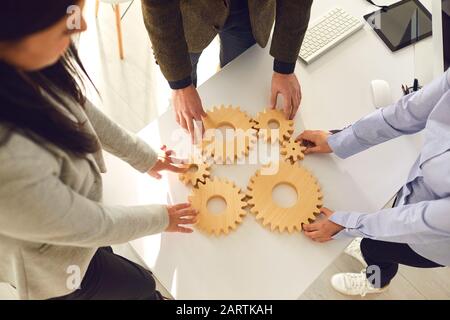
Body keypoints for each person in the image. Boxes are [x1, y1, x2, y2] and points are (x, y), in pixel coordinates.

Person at [0, 0, 197, 300]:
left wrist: (146, 157)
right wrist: (164, 218)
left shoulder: (29, 63)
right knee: (141, 284)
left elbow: (79, 109)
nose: (82, 25)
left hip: (78, 227)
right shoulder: (10, 167)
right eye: (65, 17)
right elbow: (94, 225)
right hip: (56, 271)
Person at [297, 69, 450, 296]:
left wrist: (347, 224)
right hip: (418, 194)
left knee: (375, 247)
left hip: (432, 241)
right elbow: (409, 111)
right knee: (375, 235)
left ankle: (376, 282)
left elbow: (419, 222)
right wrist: (338, 140)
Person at [141, 0, 313, 141]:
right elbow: (157, 5)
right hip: (188, 15)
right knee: (185, 90)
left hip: (250, 11)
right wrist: (180, 84)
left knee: (237, 80)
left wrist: (285, 66)